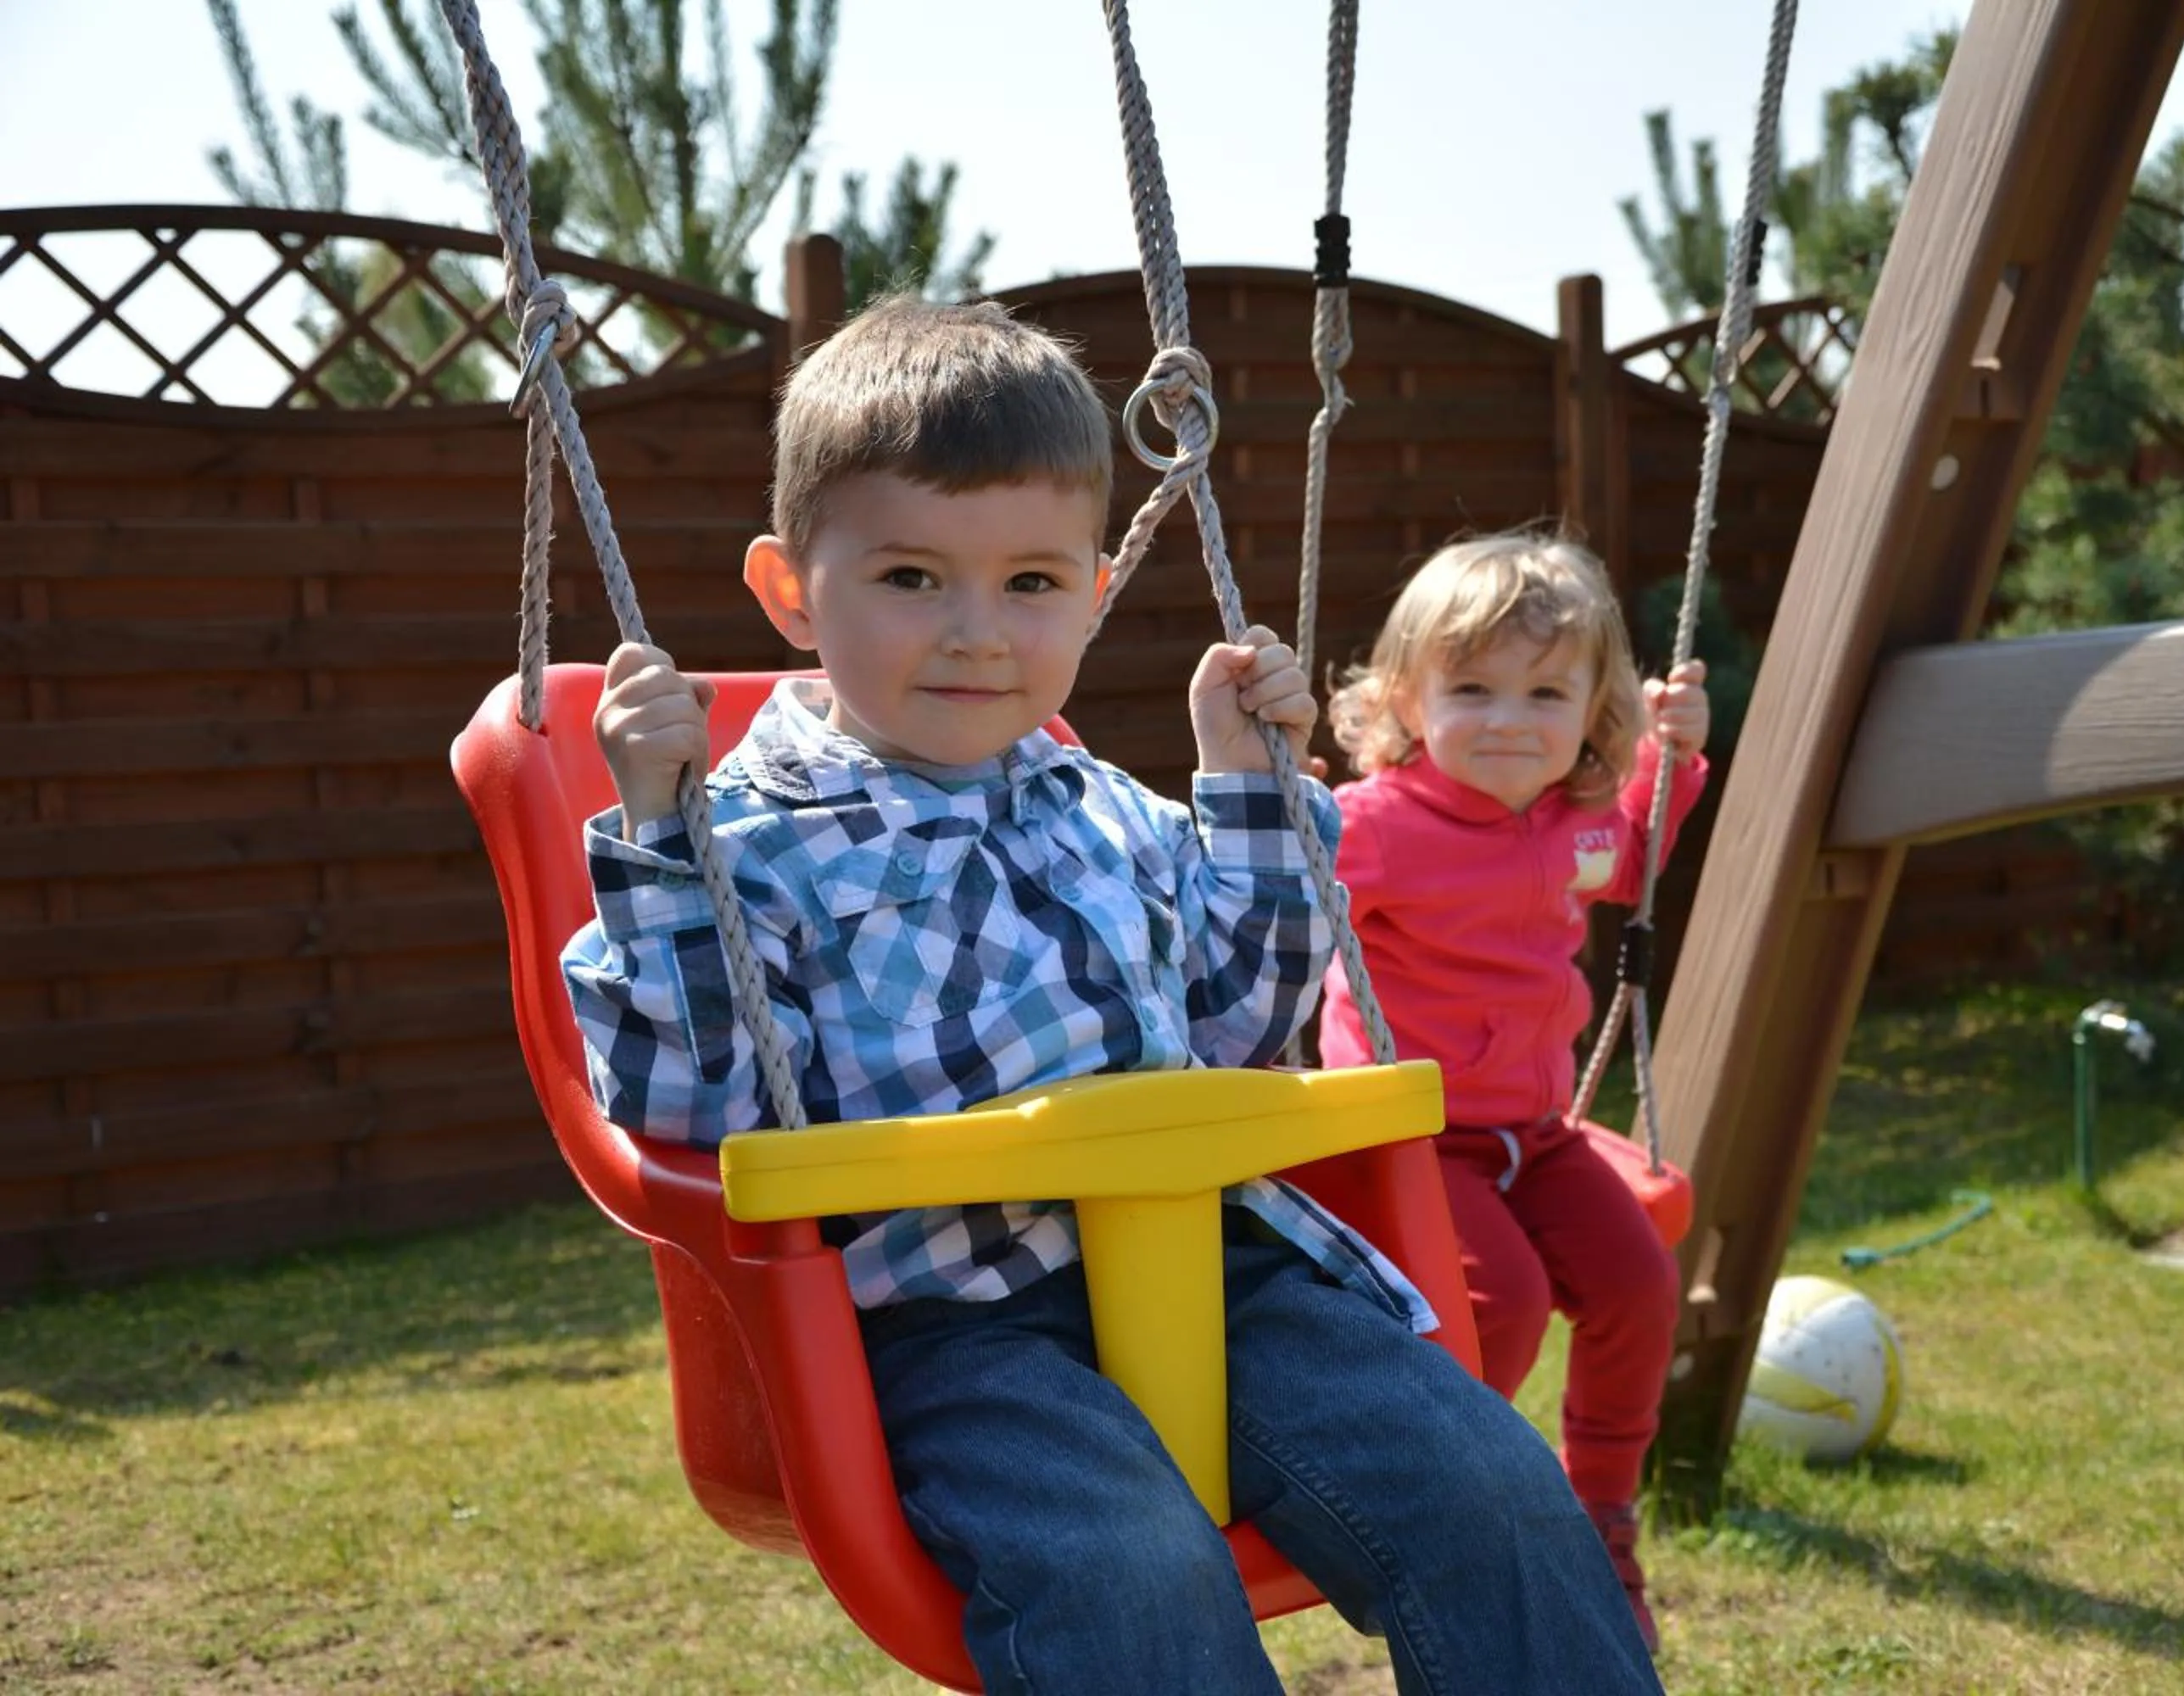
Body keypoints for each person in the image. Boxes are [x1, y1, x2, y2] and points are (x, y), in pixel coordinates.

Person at [558, 297, 1664, 1695]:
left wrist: (1251, 797)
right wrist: (657, 838)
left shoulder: (1114, 813)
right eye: (911, 578)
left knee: (1491, 1484)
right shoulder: (742, 850)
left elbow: (1240, 1034)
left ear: (1092, 586)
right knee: (1133, 1565)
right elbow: (683, 1107)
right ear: (790, 591)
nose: (978, 633)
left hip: (1219, 1272)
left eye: (1032, 583)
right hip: (955, 1331)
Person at [1317, 532, 1712, 1651]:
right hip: (1407, 1141)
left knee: (1639, 1283)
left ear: (1595, 713)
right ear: (1408, 696)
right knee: (1505, 1305)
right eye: (1474, 689)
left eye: (1547, 693)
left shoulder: (1571, 826)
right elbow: (1263, 906)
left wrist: (1669, 764)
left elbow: (1628, 862)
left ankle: (1598, 1512)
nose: (1509, 720)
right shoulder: (1376, 828)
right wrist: (1268, 804)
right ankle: (1441, 1505)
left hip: (1535, 1134)